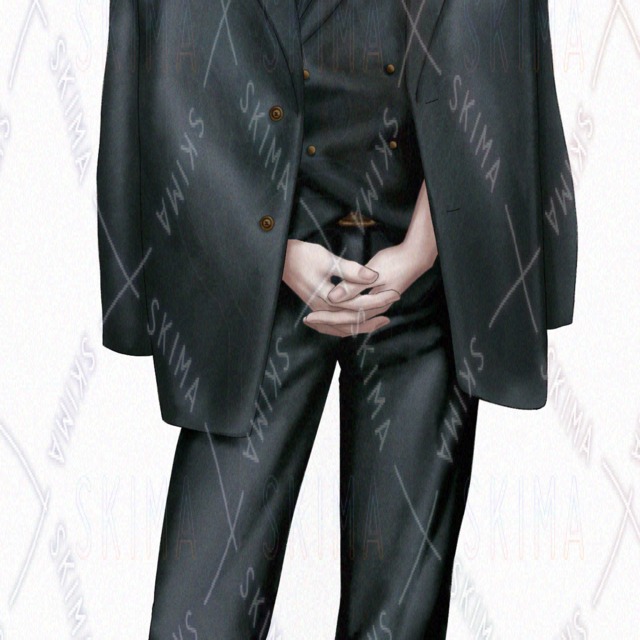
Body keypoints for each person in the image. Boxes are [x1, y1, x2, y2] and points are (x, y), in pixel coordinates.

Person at [96, 0, 577, 637]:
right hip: (257, 273)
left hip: (426, 266)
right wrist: (272, 251)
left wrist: (427, 242)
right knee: (201, 612)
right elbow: (167, 66)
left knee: (398, 617)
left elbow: (495, 35)